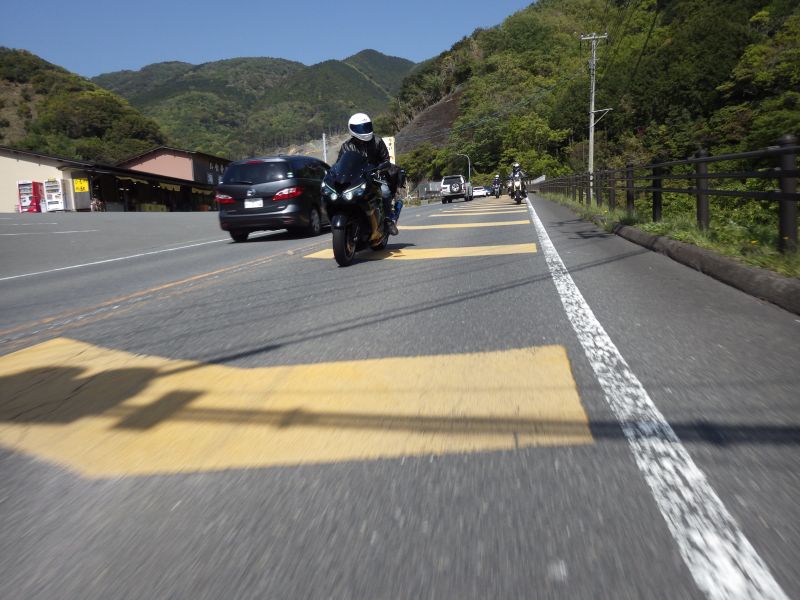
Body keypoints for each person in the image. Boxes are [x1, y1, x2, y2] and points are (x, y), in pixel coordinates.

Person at [338, 113, 399, 236]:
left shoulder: (377, 141)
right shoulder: (346, 146)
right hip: (356, 178)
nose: (364, 130)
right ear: (352, 129)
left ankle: (388, 219)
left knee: (385, 192)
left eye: (366, 126)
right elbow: (340, 164)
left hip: (375, 176)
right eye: (360, 128)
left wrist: (379, 169)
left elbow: (386, 160)